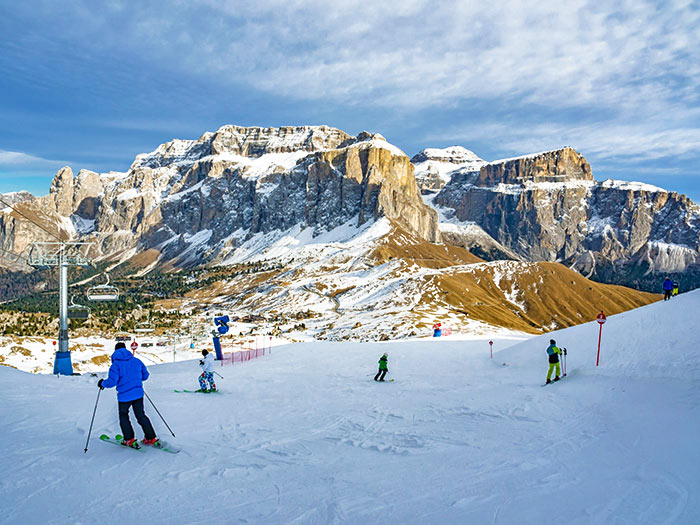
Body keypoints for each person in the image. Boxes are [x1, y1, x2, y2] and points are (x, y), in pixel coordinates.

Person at [98, 342, 158, 448]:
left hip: (124, 396)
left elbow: (112, 382)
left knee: (124, 416)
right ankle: (150, 437)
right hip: (138, 394)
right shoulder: (136, 361)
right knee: (141, 415)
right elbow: (145, 376)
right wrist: (135, 380)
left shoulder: (115, 365)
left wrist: (102, 383)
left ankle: (129, 439)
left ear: (115, 351)